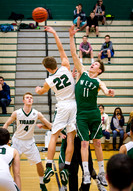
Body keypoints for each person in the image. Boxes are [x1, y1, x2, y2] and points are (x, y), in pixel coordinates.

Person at [69, 25, 114, 186]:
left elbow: (104, 88)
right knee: (84, 143)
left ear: (100, 70)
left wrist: (108, 92)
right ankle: (87, 173)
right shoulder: (82, 72)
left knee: (97, 143)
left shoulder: (98, 80)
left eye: (95, 65)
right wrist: (71, 37)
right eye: (93, 63)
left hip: (94, 113)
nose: (92, 65)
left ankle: (102, 173)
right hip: (81, 114)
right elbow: (74, 54)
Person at [35, 26, 76, 187]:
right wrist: (54, 33)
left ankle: (49, 165)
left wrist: (38, 90)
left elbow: (41, 91)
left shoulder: (49, 81)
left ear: (46, 68)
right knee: (71, 138)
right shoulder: (65, 66)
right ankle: (66, 167)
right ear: (56, 63)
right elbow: (61, 48)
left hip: (62, 106)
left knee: (54, 135)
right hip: (74, 106)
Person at [3, 92, 51, 191]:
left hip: (30, 142)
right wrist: (3, 138)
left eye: (31, 98)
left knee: (39, 162)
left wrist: (58, 129)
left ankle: (42, 183)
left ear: (32, 100)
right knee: (10, 164)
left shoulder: (37, 113)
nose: (29, 99)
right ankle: (9, 182)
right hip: (17, 141)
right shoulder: (17, 113)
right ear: (23, 100)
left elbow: (49, 125)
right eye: (27, 98)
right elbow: (7, 123)